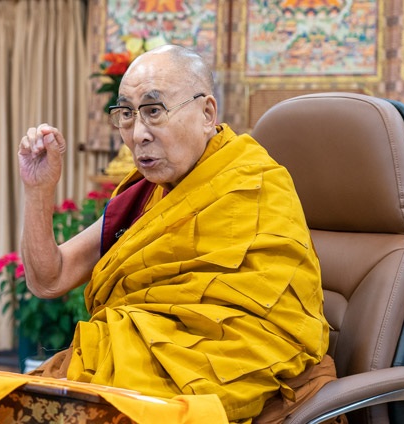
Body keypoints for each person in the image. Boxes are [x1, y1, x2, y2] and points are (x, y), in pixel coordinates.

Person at [17, 45, 336, 423]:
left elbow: (267, 331)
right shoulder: (141, 196)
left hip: (220, 375)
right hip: (136, 367)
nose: (138, 134)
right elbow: (48, 279)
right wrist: (38, 191)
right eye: (126, 115)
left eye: (154, 111)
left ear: (207, 113)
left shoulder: (254, 183)